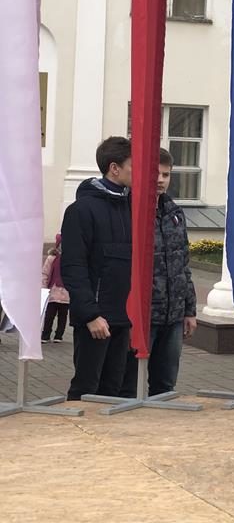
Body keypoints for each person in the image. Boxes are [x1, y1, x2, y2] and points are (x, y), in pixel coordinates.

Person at [119, 148, 198, 398]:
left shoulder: (174, 213)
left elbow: (183, 264)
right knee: (129, 384)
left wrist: (189, 310)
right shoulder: (128, 210)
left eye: (166, 174)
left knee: (165, 385)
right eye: (156, 174)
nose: (161, 180)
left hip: (172, 316)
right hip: (141, 315)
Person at [61, 136, 133, 401]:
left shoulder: (132, 207)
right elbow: (73, 267)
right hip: (96, 320)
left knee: (113, 391)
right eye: (134, 165)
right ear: (114, 168)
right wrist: (91, 315)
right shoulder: (81, 210)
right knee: (86, 390)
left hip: (124, 318)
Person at [41, 235, 70, 343]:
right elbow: (45, 273)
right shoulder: (51, 258)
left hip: (66, 293)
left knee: (63, 316)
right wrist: (43, 287)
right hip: (53, 292)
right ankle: (45, 334)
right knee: (49, 315)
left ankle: (59, 335)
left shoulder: (71, 258)